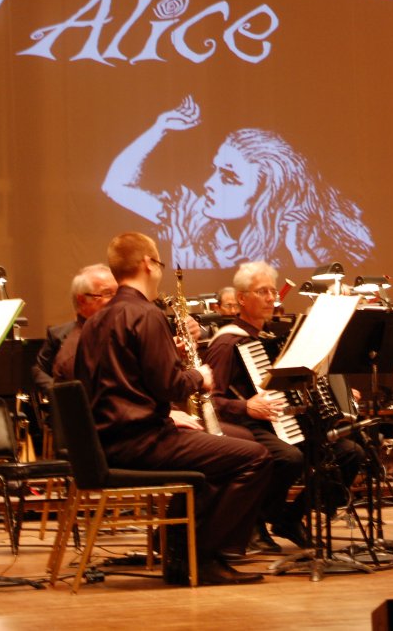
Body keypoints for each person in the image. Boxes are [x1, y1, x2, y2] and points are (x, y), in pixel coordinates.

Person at [74, 233, 272, 585]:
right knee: (254, 457)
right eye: (159, 263)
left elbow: (125, 382)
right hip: (142, 442)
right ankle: (205, 558)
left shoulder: (96, 322)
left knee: (214, 458)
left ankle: (181, 559)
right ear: (148, 263)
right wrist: (200, 375)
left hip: (108, 442)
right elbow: (171, 386)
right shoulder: (145, 314)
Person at [101, 96, 374, 269]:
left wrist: (300, 251)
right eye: (215, 170)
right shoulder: (190, 215)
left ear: (269, 192)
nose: (209, 183)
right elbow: (115, 186)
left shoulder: (304, 233)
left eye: (229, 177)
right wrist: (158, 128)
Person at [203, 261, 364, 552]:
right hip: (248, 426)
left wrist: (335, 395)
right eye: (261, 291)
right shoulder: (227, 343)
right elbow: (210, 401)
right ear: (242, 298)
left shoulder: (273, 339)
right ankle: (254, 521)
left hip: (285, 422)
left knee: (349, 453)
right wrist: (246, 407)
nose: (270, 298)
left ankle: (290, 517)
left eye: (272, 291)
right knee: (289, 458)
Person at [33, 264, 118, 395]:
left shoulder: (122, 330)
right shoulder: (62, 337)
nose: (117, 299)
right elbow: (39, 370)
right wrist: (60, 393)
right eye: (107, 293)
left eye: (118, 292)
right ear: (82, 300)